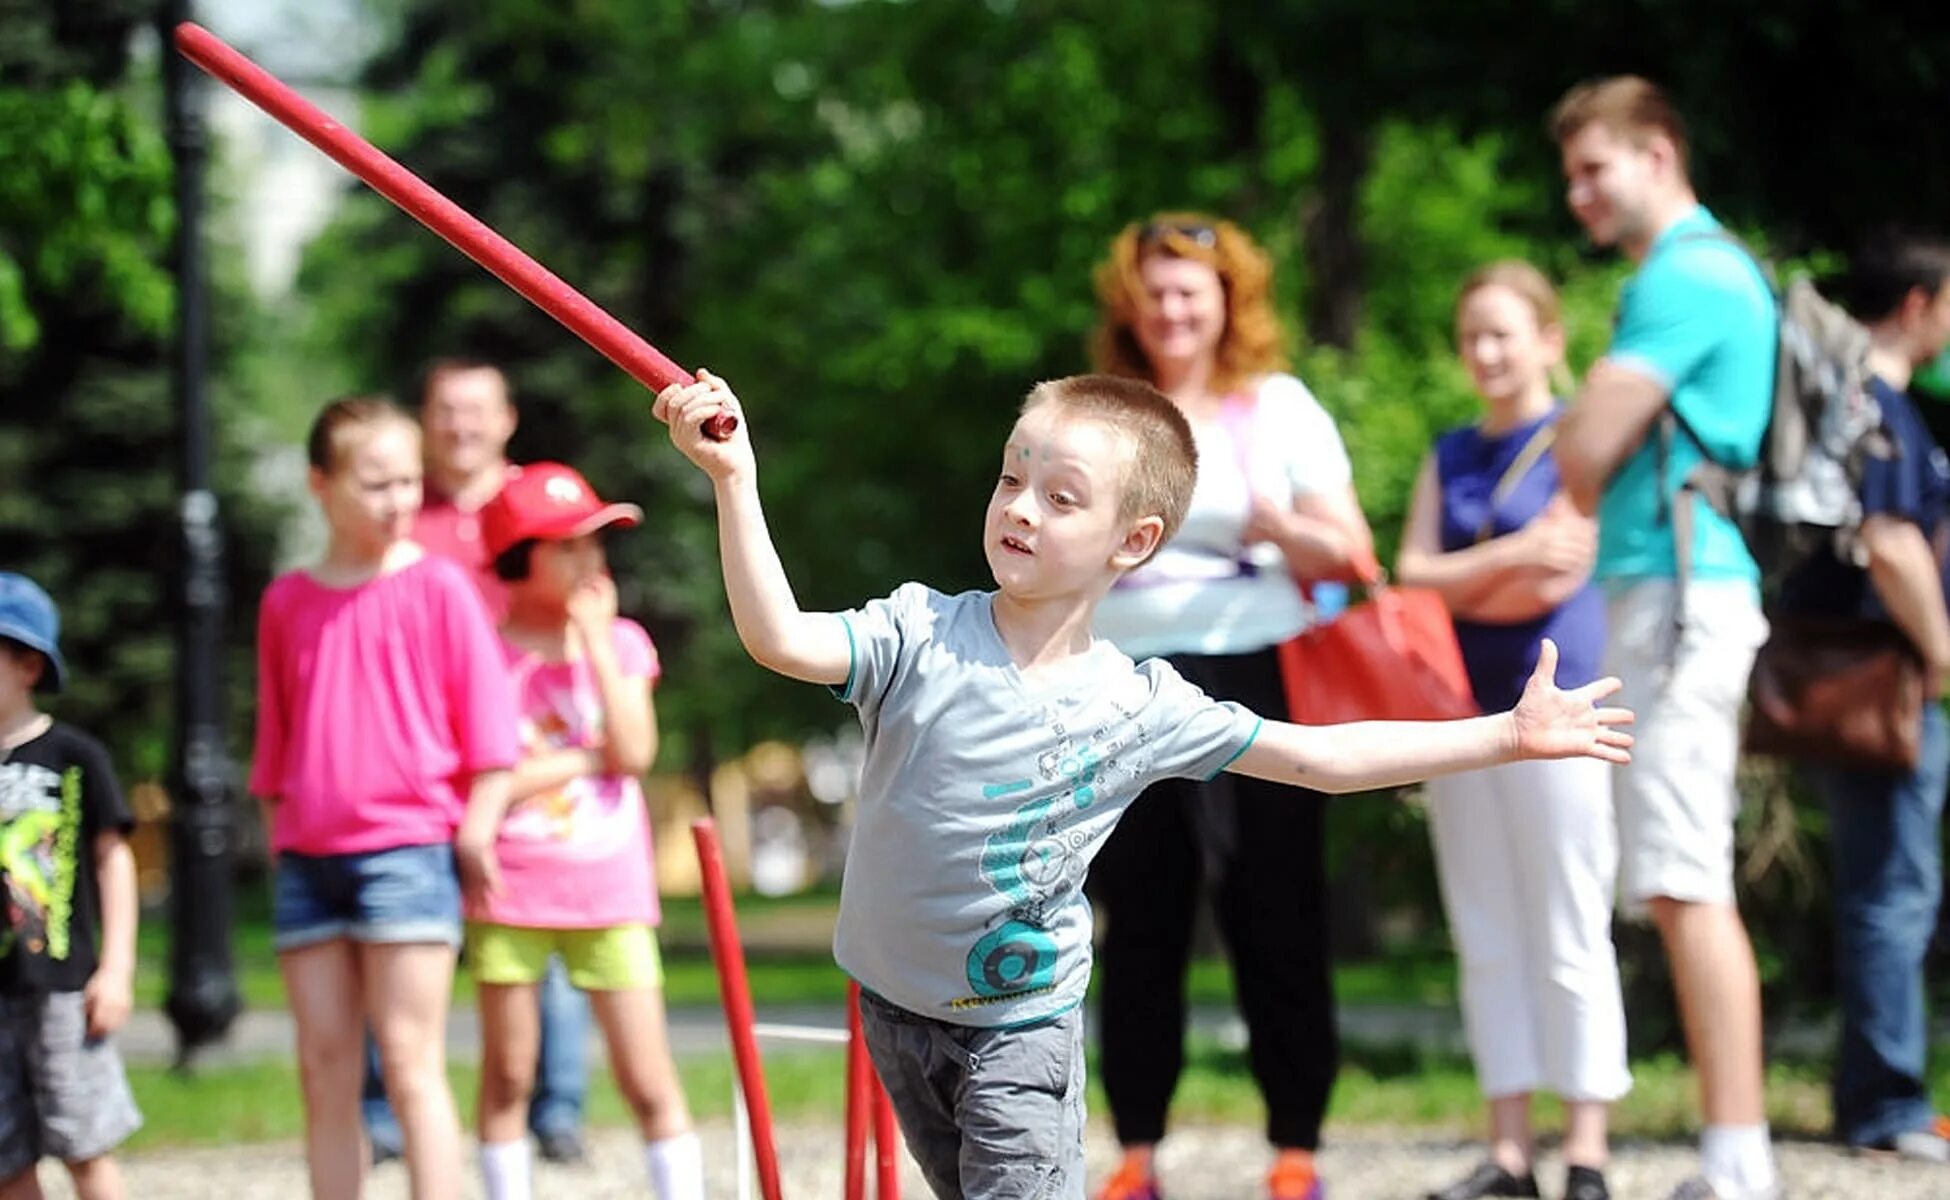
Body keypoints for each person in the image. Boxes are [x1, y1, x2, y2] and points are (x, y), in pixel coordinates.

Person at [651, 367, 1634, 1198]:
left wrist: (1505, 735)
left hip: (1015, 1032)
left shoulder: (1141, 704)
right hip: (889, 1005)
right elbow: (779, 639)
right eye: (1010, 479)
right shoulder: (917, 633)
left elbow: (1321, 761)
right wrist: (735, 480)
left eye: (1062, 497)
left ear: (1134, 542)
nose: (1020, 509)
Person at [1084, 214, 1375, 1200]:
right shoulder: (1104, 412)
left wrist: (1278, 524)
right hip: (1125, 682)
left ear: (1226, 302)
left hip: (1256, 665)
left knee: (1275, 902)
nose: (1172, 309)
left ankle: (1295, 1146)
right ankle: (1137, 1151)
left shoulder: (1278, 407)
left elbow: (1350, 551)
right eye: (1155, 291)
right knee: (1139, 912)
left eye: (1191, 291)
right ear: (1131, 304)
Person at [1548, 76, 1781, 1200]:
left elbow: (1584, 454)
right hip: (1668, 589)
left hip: (1684, 597)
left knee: (1688, 878)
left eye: (1595, 169)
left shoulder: (1687, 275)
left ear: (1657, 152)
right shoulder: (1690, 274)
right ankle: (1729, 1154)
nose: (1580, 196)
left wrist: (1581, 418)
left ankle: (1737, 1166)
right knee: (1679, 875)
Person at [1395, 263, 1628, 1200]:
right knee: (1486, 929)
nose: (1486, 352)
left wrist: (1470, 576)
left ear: (1547, 338)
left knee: (1571, 922)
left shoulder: (1579, 438)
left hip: (1563, 708)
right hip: (1457, 713)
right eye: (1472, 336)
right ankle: (1509, 1153)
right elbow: (1407, 575)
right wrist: (1507, 557)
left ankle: (1588, 1152)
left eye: (1503, 333)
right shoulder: (1448, 451)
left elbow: (1558, 576)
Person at [251, 397, 519, 1200]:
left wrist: (475, 830)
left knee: (408, 1062)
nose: (400, 500)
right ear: (320, 485)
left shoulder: (441, 587)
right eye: (375, 483)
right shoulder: (286, 603)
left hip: (407, 856)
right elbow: (274, 746)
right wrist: (281, 839)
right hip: (309, 863)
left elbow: (493, 737)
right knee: (324, 1069)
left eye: (409, 480)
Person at [364, 359, 593, 1167]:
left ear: (507, 418)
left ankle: (555, 1108)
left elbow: (579, 592)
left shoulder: (537, 504)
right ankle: (386, 1118)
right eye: (445, 410)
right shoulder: (401, 510)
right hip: (424, 750)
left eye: (475, 410)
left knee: (542, 923)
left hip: (523, 743)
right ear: (427, 422)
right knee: (395, 926)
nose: (460, 425)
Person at [463, 462, 702, 1200]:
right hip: (511, 892)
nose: (587, 560)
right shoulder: (483, 650)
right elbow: (481, 785)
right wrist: (582, 756)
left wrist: (595, 644)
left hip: (611, 893)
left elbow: (633, 754)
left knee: (646, 1074)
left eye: (595, 543)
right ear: (517, 557)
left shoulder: (624, 643)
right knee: (507, 1072)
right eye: (565, 545)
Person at [1778, 234, 1950, 1161]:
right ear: (1918, 303)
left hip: (1879, 683)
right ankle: (1885, 1106)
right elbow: (1889, 540)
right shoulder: (1876, 407)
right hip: (1882, 686)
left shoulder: (1878, 407)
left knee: (1890, 886)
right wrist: (1945, 650)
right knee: (1893, 891)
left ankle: (1879, 1094)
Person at [0, 573, 140, 1200]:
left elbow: (114, 861)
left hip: (63, 988)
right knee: (5, 1160)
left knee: (86, 1146)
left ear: (28, 665)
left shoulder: (73, 755)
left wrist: (117, 969)